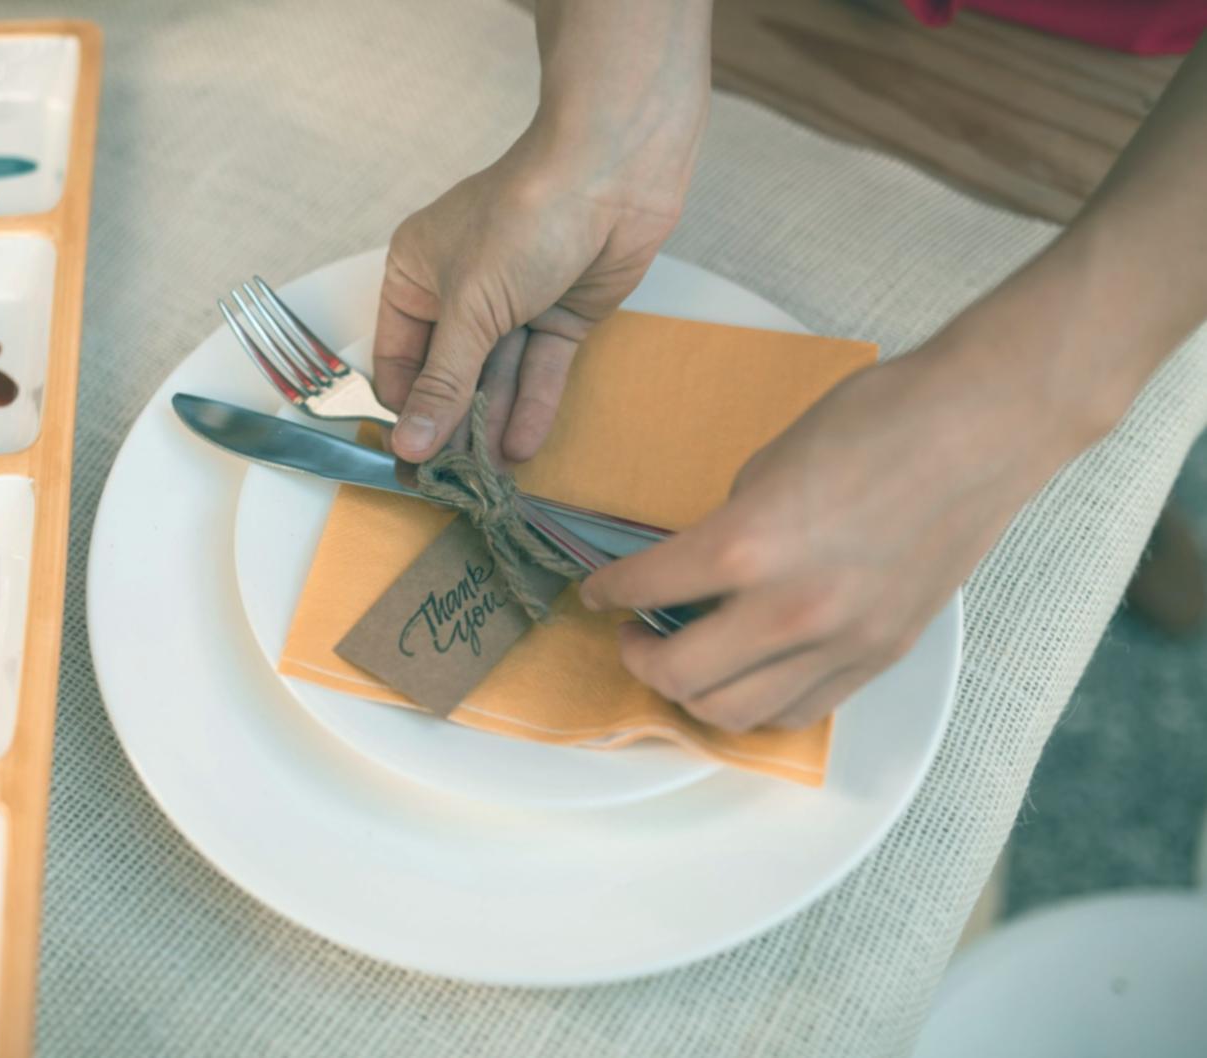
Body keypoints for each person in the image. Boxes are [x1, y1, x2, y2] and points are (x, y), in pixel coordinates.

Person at [370, 0, 1207, 733]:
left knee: (1085, 510)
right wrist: (611, 111)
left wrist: (1043, 389)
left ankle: (1146, 528)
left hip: (1133, 107)